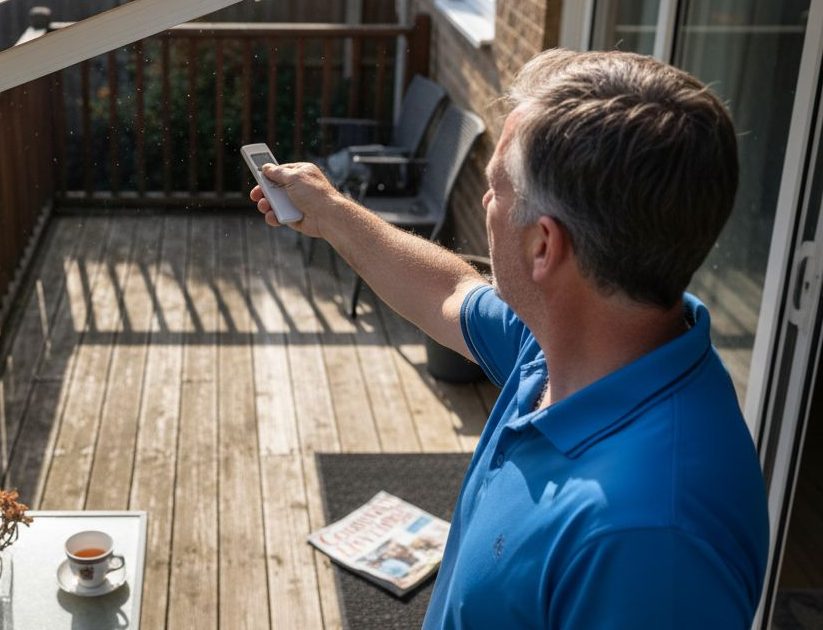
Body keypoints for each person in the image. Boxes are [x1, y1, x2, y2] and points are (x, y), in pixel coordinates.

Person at [249, 49, 769, 628]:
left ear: (545, 246)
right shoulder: (577, 335)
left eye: (497, 186)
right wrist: (328, 212)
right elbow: (448, 290)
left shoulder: (649, 541)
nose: (484, 201)